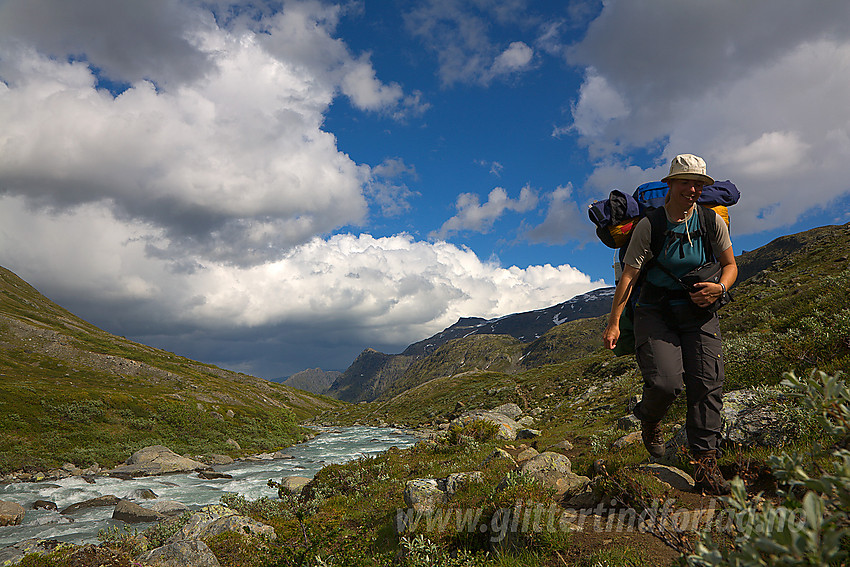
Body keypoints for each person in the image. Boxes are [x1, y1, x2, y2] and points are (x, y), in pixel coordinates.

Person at [603, 153, 738, 495]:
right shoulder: (651, 225)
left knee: (707, 385)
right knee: (665, 384)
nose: (692, 189)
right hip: (656, 310)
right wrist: (615, 322)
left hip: (699, 311)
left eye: (698, 184)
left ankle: (706, 467)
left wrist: (719, 288)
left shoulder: (711, 222)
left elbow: (730, 265)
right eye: (685, 182)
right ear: (671, 184)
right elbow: (630, 276)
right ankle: (649, 417)